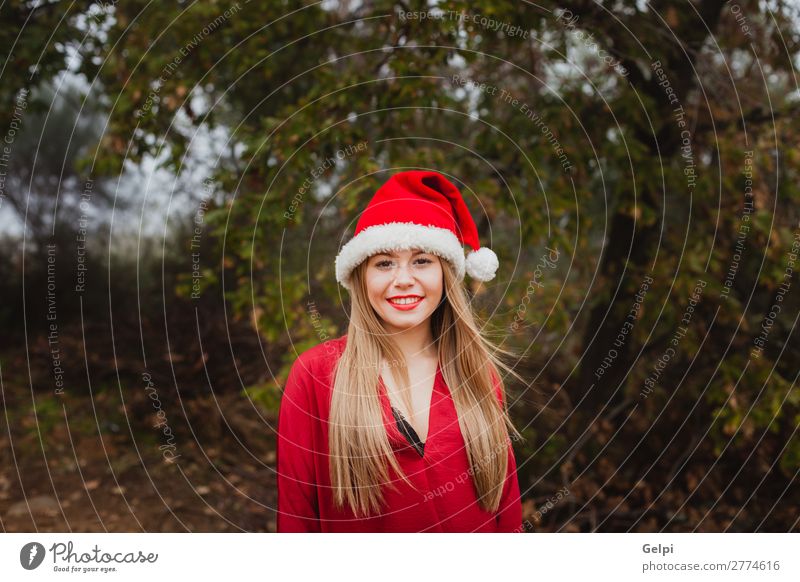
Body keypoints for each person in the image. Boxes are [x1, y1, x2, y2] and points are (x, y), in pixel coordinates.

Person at [277, 170, 524, 532]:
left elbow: (507, 510)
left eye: (422, 260)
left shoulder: (477, 373)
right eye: (384, 262)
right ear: (361, 277)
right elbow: (296, 518)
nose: (403, 278)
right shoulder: (316, 375)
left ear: (446, 275)